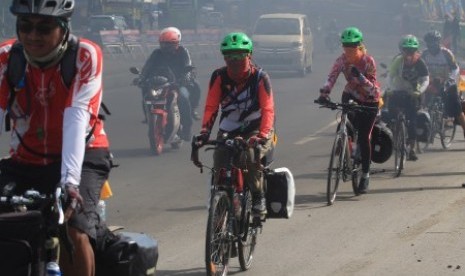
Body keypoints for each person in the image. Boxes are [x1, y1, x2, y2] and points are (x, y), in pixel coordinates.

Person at [0, 1, 112, 275]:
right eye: (25, 26)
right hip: (26, 157)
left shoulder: (85, 55)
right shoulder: (6, 57)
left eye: (44, 27)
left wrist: (70, 183)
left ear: (63, 29)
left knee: (71, 229)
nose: (33, 35)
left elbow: (76, 115)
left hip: (84, 154)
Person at [194, 32, 275, 216]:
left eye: (239, 54)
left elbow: (268, 109)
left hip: (257, 126)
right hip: (229, 128)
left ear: (249, 55)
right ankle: (220, 200)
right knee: (220, 159)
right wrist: (205, 132)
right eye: (229, 55)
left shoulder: (261, 77)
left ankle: (257, 196)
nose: (235, 60)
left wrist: (262, 136)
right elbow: (211, 106)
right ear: (224, 57)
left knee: (248, 156)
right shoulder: (219, 76)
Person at [318, 27, 380, 194]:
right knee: (344, 124)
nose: (349, 50)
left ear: (360, 46)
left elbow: (373, 89)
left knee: (365, 137)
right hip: (350, 95)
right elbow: (331, 77)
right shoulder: (341, 60)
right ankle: (347, 144)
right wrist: (324, 93)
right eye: (345, 46)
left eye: (352, 46)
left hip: (369, 100)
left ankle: (365, 174)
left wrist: (359, 76)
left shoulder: (368, 61)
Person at [139, 26, 202, 140]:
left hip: (177, 82)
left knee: (183, 97)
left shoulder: (183, 52)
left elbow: (188, 65)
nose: (166, 47)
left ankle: (187, 127)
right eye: (163, 44)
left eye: (169, 44)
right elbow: (147, 67)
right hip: (159, 82)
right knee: (145, 90)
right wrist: (142, 77)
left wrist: (186, 77)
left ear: (176, 43)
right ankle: (147, 115)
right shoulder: (156, 53)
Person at [386, 34, 429, 161]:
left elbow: (426, 79)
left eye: (412, 50)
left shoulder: (420, 62)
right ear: (402, 50)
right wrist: (390, 89)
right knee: (389, 113)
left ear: (416, 50)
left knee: (412, 121)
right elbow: (390, 76)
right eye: (406, 50)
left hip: (413, 94)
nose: (409, 53)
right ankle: (394, 133)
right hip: (397, 92)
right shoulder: (398, 60)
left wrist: (419, 91)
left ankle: (412, 149)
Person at [421, 30, 465, 137]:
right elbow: (420, 70)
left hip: (448, 82)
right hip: (432, 82)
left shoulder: (446, 53)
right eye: (429, 42)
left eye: (434, 42)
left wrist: (448, 79)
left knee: (456, 108)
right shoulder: (424, 54)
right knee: (422, 102)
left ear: (438, 42)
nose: (431, 44)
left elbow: (455, 69)